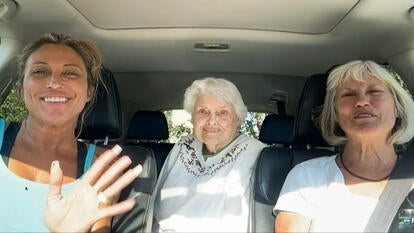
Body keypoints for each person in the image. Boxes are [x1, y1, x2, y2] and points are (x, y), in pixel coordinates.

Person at [0, 33, 141, 232]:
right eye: (40, 71)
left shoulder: (100, 168)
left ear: (89, 92)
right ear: (21, 88)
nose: (54, 83)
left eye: (70, 73)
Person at [274, 60, 414, 232]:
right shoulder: (307, 177)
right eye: (348, 95)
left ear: (398, 108)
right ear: (336, 114)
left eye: (374, 91)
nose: (362, 101)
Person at [152, 77, 266, 232]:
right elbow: (154, 207)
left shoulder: (256, 153)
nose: (212, 121)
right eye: (203, 111)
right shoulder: (183, 146)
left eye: (222, 112)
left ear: (237, 118)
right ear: (192, 117)